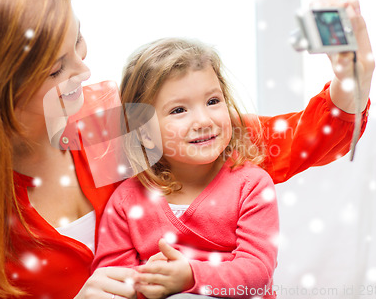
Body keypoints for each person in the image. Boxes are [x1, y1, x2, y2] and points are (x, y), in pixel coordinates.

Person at [0, 0, 374, 299]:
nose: (84, 66)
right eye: (58, 67)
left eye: (79, 39)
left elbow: (274, 144)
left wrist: (348, 86)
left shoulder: (101, 130)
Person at [92, 38, 280, 299]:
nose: (203, 120)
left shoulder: (252, 185)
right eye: (179, 110)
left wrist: (191, 277)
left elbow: (257, 273)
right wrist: (147, 282)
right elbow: (111, 281)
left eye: (213, 101)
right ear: (144, 131)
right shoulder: (126, 200)